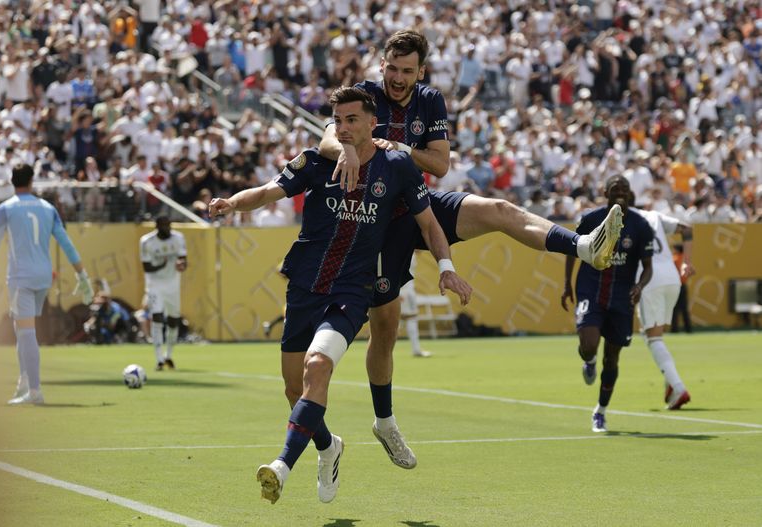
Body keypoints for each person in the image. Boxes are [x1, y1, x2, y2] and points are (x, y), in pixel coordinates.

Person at [319, 29, 624, 468]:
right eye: (393, 69)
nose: (399, 78)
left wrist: (402, 148)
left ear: (420, 71)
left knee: (498, 208)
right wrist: (348, 149)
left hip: (418, 205)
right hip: (375, 221)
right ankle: (384, 422)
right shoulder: (364, 95)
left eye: (408, 71)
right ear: (381, 64)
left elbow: (441, 164)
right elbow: (328, 137)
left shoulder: (430, 100)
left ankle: (583, 245)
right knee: (385, 329)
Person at [208, 87, 472, 505]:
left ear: (372, 123)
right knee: (294, 389)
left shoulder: (398, 166)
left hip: (352, 290)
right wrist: (230, 203)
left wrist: (446, 267)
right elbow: (267, 192)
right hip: (304, 287)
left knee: (318, 366)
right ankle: (329, 446)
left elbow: (428, 224)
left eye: (353, 120)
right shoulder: (317, 161)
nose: (345, 128)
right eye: (339, 120)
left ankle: (281, 465)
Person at [0, 163, 94, 405]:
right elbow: (66, 242)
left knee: (27, 332)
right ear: (32, 181)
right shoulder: (47, 208)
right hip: (43, 276)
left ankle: (35, 391)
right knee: (22, 330)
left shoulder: (5, 209)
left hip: (21, 277)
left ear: (11, 181)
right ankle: (24, 381)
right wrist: (82, 275)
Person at [561, 175, 654, 433]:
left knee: (612, 360)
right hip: (590, 290)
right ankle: (588, 360)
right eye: (615, 189)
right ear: (605, 192)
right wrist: (567, 284)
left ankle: (600, 411)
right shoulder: (591, 219)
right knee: (589, 345)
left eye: (624, 188)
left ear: (630, 193)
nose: (620, 192)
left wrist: (640, 286)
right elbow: (572, 249)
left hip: (621, 299)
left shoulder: (640, 225)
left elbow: (648, 268)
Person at [634, 207, 695, 409]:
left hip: (649, 279)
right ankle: (669, 381)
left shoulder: (621, 219)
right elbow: (687, 229)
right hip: (672, 277)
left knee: (653, 338)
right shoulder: (654, 215)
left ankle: (678, 388)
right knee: (654, 336)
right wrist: (686, 262)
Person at [140, 216, 187, 371]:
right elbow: (147, 267)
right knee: (157, 318)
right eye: (165, 225)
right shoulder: (147, 242)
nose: (168, 228)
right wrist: (163, 264)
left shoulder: (178, 238)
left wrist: (181, 265)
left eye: (169, 224)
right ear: (157, 226)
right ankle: (159, 358)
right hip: (155, 284)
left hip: (173, 285)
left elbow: (183, 261)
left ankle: (169, 355)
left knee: (173, 320)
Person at [399, 252, 431, 357]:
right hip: (406, 291)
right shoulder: (408, 254)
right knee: (411, 319)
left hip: (402, 290)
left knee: (395, 321)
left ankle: (381, 350)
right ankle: (416, 349)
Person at [670, 244, 693, 334]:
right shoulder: (685, 260)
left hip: (676, 285)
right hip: (683, 285)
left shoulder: (674, 259)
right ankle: (688, 329)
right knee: (684, 309)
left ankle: (674, 329)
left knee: (675, 308)